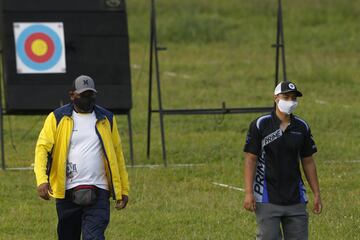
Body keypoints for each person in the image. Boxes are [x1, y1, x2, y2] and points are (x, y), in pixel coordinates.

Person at [34, 75, 129, 240]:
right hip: (67, 192)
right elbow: (42, 149)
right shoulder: (57, 118)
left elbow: (117, 156)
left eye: (90, 95)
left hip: (99, 190)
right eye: (83, 95)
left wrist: (123, 190)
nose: (87, 98)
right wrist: (42, 180)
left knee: (94, 237)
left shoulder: (107, 119)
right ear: (72, 95)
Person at [243, 81, 322, 240]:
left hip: (296, 199)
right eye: (286, 97)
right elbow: (251, 159)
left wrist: (317, 193)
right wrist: (249, 193)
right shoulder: (261, 124)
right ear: (275, 98)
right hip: (266, 198)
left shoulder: (302, 127)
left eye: (293, 98)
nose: (290, 102)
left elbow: (308, 161)